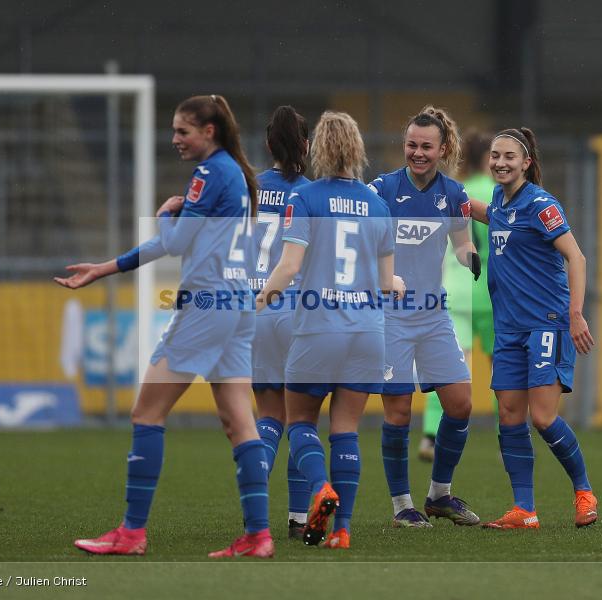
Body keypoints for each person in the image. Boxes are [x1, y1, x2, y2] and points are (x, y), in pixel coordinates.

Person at [57, 94, 274, 558]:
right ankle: (259, 536)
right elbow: (175, 243)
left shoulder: (210, 173)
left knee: (146, 413)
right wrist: (105, 267)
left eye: (183, 131)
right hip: (238, 306)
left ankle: (131, 534)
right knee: (238, 421)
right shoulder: (236, 174)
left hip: (207, 307)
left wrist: (162, 213)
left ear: (209, 132)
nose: (175, 139)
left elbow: (172, 240)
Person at [257, 110, 395, 550]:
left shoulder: (307, 199)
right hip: (369, 330)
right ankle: (342, 531)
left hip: (320, 327)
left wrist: (265, 296)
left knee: (299, 420)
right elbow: (388, 283)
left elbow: (290, 265)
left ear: (317, 148)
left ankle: (320, 488)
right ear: (357, 149)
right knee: (346, 429)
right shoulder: (378, 205)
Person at [469, 127, 598, 529]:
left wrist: (575, 314)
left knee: (542, 418)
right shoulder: (498, 200)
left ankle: (584, 491)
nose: (500, 162)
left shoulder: (541, 204)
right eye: (495, 156)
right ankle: (524, 510)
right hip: (508, 328)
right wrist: (444, 195)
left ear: (526, 163)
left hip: (546, 323)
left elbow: (576, 258)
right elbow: (489, 215)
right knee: (508, 415)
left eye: (509, 156)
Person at [367, 106, 481, 528]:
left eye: (426, 146)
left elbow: (461, 241)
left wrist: (472, 257)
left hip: (434, 316)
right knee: (398, 413)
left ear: (443, 148)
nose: (417, 152)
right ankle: (402, 507)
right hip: (390, 318)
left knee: (461, 404)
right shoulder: (380, 190)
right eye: (411, 145)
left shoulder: (452, 193)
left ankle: (439, 495)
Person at [249, 106, 313, 539]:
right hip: (300, 311)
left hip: (253, 310)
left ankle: (254, 518)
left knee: (268, 416)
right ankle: (297, 517)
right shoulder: (312, 194)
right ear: (305, 145)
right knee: (303, 419)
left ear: (269, 144)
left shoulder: (247, 189)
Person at [419, 128, 497, 461]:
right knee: (503, 368)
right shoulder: (497, 192)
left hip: (455, 290)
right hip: (492, 293)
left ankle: (430, 435)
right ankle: (506, 436)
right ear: (487, 157)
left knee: (450, 367)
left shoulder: (455, 192)